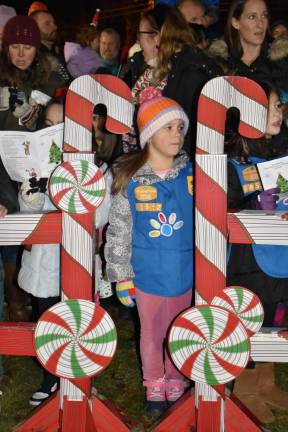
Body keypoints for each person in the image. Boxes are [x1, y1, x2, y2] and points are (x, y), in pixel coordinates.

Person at [105, 96, 193, 415]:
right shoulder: (130, 177)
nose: (176, 134)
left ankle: (176, 378)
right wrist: (121, 275)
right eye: (168, 127)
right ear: (149, 133)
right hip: (145, 273)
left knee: (181, 328)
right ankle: (154, 383)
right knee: (152, 330)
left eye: (180, 127)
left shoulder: (192, 175)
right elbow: (119, 229)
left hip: (185, 271)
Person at [226, 84, 288, 424]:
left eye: (279, 106)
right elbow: (222, 206)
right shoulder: (230, 162)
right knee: (253, 319)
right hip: (250, 261)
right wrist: (251, 202)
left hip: (280, 255)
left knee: (276, 318)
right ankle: (245, 389)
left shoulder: (281, 152)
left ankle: (266, 382)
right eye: (271, 107)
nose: (278, 113)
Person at [224, 0, 271, 82]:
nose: (260, 24)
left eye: (264, 16)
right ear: (235, 23)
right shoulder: (221, 65)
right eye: (252, 17)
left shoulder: (281, 63)